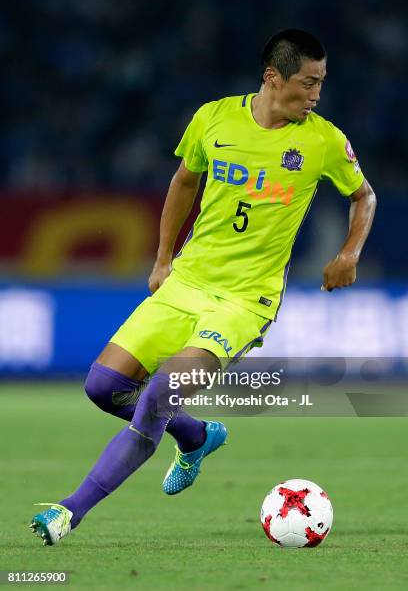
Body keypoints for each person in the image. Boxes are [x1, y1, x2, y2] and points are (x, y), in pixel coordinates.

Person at [30, 29, 376, 546]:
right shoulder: (212, 118)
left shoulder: (322, 139)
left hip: (244, 301)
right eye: (308, 83)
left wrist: (348, 253)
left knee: (162, 390)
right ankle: (194, 434)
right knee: (102, 387)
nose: (316, 95)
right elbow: (184, 182)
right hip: (188, 280)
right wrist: (163, 260)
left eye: (321, 83)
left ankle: (68, 511)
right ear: (272, 78)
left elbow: (363, 196)